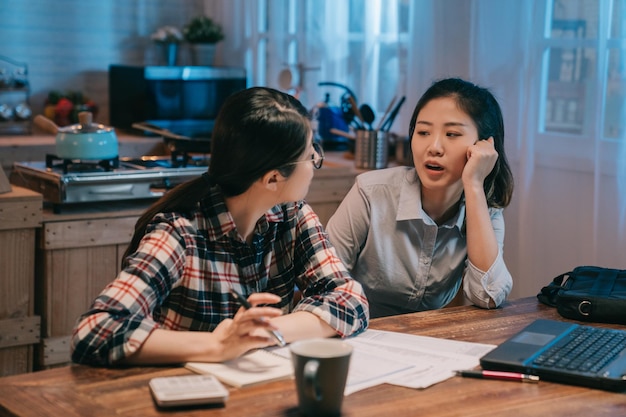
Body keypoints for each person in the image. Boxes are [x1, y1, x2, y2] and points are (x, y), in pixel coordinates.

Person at [71, 87, 369, 366]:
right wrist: (218, 345)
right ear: (273, 179)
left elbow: (350, 300)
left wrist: (260, 331)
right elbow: (95, 331)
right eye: (310, 153)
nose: (316, 158)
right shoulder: (179, 233)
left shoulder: (294, 216)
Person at [326, 78, 514, 318]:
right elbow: (324, 281)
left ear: (484, 147)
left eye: (452, 134)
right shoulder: (371, 192)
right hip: (358, 331)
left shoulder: (485, 209)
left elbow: (488, 296)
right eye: (423, 132)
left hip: (428, 342)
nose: (434, 147)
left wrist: (475, 185)